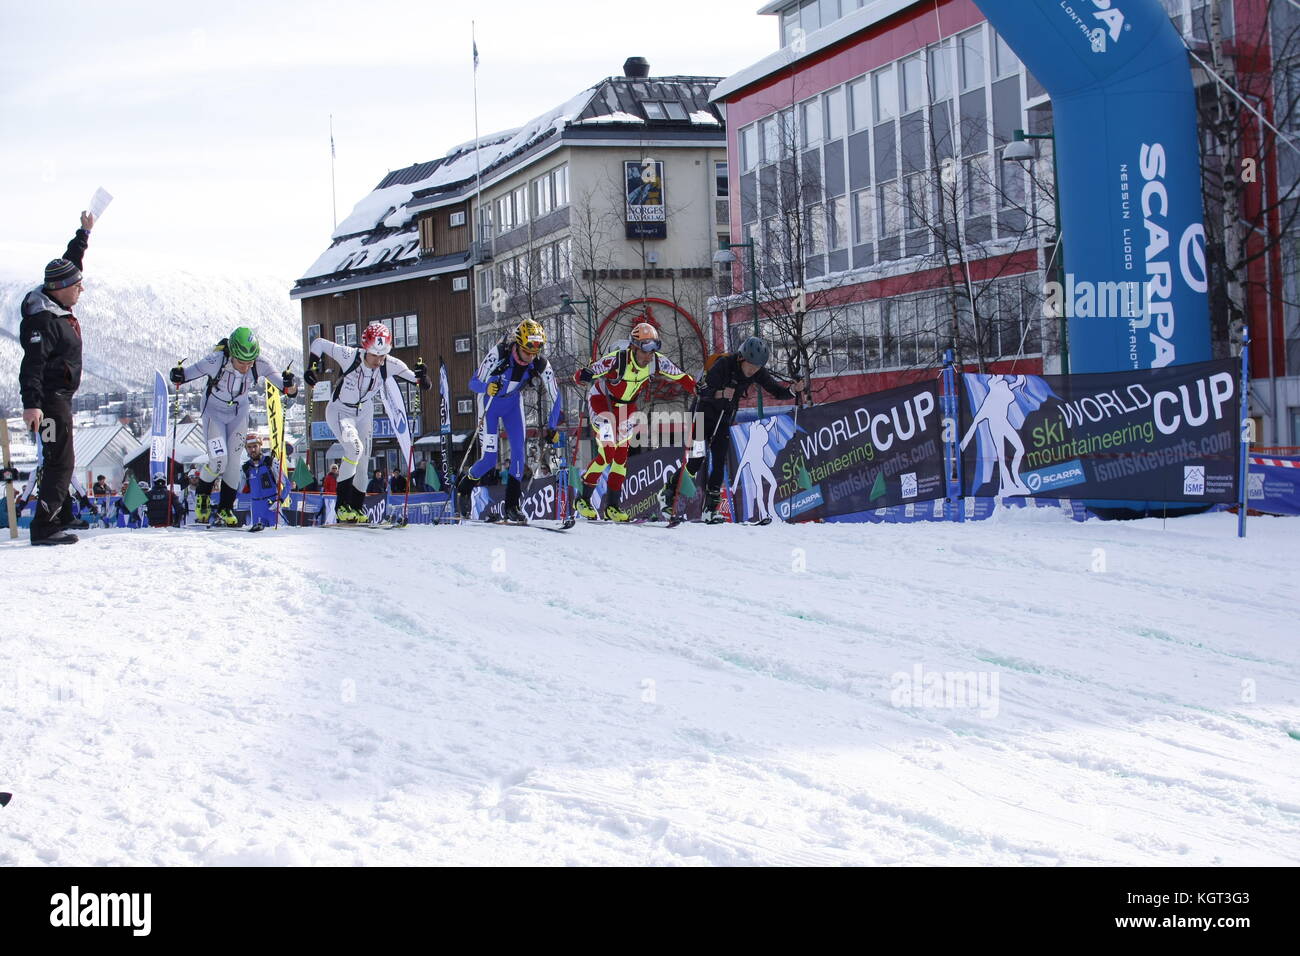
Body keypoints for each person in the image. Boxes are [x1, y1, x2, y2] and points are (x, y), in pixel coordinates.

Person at [658, 336, 802, 523]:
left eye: (757, 368)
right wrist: (721, 393)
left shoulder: (757, 371)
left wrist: (792, 390)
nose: (753, 371)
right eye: (751, 366)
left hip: (724, 416)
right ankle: (667, 494)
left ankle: (710, 509)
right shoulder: (723, 365)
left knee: (719, 460)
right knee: (696, 460)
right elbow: (702, 391)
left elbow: (775, 390)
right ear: (742, 358)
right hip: (702, 415)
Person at [18, 210, 94, 545]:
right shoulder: (44, 321)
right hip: (50, 400)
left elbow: (69, 263)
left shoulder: (54, 300)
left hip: (59, 397)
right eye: (77, 286)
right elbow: (32, 365)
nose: (81, 289)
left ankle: (60, 512)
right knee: (60, 461)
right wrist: (32, 405)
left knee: (58, 457)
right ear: (61, 289)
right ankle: (45, 526)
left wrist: (83, 233)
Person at [171, 327, 297, 526]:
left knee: (234, 462)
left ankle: (225, 508)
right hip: (213, 411)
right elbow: (185, 374)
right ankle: (203, 495)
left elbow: (287, 388)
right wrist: (178, 375)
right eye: (241, 362)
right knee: (219, 460)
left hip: (238, 412)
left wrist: (291, 384)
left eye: (250, 362)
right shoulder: (216, 360)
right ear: (231, 355)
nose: (246, 367)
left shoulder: (261, 363)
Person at [306, 321, 430, 523]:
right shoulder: (349, 355)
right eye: (374, 355)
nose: (379, 361)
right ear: (365, 349)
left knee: (363, 462)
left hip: (364, 412)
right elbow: (319, 343)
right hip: (340, 410)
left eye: (383, 355)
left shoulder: (390, 363)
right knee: (354, 449)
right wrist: (310, 368)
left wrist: (422, 375)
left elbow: (419, 382)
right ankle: (341, 507)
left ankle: (356, 507)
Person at [573, 322, 694, 521]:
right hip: (603, 403)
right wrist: (583, 375)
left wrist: (698, 388)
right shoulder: (617, 360)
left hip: (627, 408)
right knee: (608, 452)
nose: (648, 356)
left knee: (621, 457)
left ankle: (612, 506)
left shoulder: (656, 362)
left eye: (653, 350)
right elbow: (585, 373)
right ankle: (583, 498)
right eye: (645, 351)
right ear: (634, 347)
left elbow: (681, 376)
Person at [456, 319, 562, 523]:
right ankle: (465, 487)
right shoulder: (499, 353)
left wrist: (552, 425)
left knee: (519, 455)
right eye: (527, 352)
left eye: (534, 353)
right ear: (518, 345)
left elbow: (555, 395)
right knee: (489, 459)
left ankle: (512, 506)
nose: (531, 357)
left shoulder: (540, 362)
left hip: (513, 404)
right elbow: (473, 382)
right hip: (490, 403)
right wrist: (486, 387)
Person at [240, 434, 283, 527]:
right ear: (246, 449)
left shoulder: (270, 462)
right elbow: (239, 491)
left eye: (255, 446)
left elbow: (287, 485)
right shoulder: (245, 468)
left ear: (260, 446)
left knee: (277, 539)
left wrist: (280, 501)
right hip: (256, 509)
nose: (253, 450)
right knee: (257, 540)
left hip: (272, 508)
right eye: (249, 447)